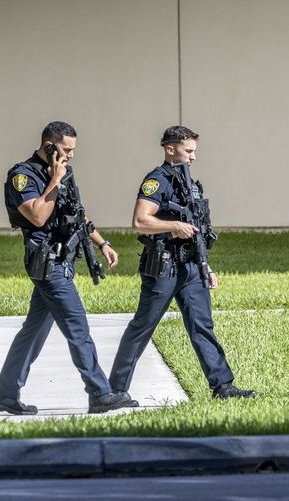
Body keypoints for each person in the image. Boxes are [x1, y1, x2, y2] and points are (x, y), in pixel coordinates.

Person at [0, 121, 133, 416]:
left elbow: (75, 212)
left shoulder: (64, 171)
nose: (71, 155)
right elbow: (38, 217)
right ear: (49, 145)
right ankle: (99, 392)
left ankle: (5, 392)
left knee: (33, 331)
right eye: (66, 149)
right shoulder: (22, 175)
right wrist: (55, 179)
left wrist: (102, 243)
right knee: (77, 326)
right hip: (46, 262)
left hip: (63, 260)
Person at [110, 126, 256, 401]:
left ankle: (222, 386)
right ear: (170, 149)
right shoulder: (157, 180)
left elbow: (198, 230)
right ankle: (115, 389)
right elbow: (140, 220)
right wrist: (173, 225)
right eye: (188, 151)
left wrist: (206, 266)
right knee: (143, 326)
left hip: (190, 267)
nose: (193, 157)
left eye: (194, 151)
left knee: (202, 326)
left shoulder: (191, 185)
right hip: (163, 266)